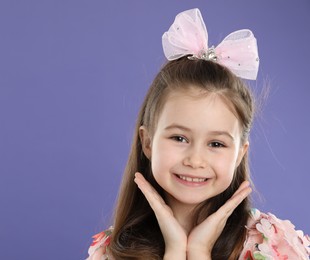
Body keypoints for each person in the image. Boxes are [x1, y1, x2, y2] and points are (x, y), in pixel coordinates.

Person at [86, 8, 310, 260]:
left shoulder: (274, 245)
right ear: (147, 142)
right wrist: (174, 251)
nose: (195, 160)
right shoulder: (113, 251)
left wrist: (200, 252)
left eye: (216, 143)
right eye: (179, 138)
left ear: (239, 154)